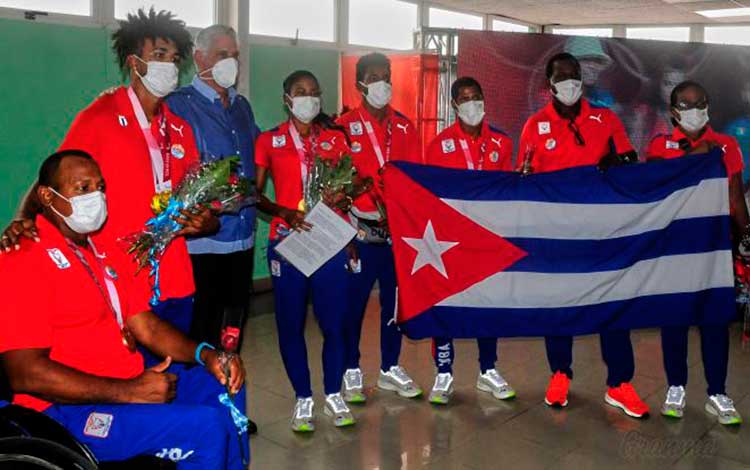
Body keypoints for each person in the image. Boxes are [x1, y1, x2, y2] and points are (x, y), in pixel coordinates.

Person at [0, 150, 249, 469]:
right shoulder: (23, 256)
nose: (95, 197)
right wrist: (130, 391)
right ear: (48, 196)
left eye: (99, 187)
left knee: (226, 383)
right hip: (63, 412)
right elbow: (25, 374)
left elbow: (146, 325)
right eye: (82, 188)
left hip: (124, 385)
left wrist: (207, 353)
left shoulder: (100, 249)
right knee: (204, 429)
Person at [1, 8, 218, 350]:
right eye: (158, 55)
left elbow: (200, 203)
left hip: (176, 278)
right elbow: (52, 176)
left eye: (174, 58)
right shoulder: (100, 117)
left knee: (172, 377)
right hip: (121, 280)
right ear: (134, 61)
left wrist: (206, 223)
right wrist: (22, 218)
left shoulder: (181, 129)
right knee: (131, 383)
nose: (169, 65)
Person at [517, 52, 648, 418]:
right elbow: (525, 182)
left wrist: (613, 163)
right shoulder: (534, 125)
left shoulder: (604, 119)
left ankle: (620, 383)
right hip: (556, 236)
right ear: (550, 84)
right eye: (562, 77)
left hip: (602, 233)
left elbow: (629, 164)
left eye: (575, 76)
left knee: (612, 304)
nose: (571, 82)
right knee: (559, 307)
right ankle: (560, 373)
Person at [165, 26, 259, 434]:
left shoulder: (242, 107)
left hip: (243, 237)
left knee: (233, 330)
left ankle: (228, 405)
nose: (230, 62)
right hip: (203, 243)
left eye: (235, 53)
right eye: (222, 53)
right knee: (198, 333)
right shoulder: (179, 105)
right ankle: (195, 415)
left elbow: (256, 166)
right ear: (200, 58)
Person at [255, 70, 358, 432]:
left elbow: (354, 185)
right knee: (290, 324)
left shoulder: (335, 139)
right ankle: (303, 397)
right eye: (301, 92)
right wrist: (282, 212)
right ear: (287, 98)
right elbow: (255, 193)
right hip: (286, 243)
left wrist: (343, 199)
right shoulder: (268, 141)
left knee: (335, 323)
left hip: (328, 241)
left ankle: (333, 392)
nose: (309, 99)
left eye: (314, 92)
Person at [647, 80, 749, 425]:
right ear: (673, 111)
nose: (695, 110)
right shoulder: (660, 146)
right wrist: (693, 159)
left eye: (701, 103)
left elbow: (735, 197)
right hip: (673, 250)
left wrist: (747, 238)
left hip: (714, 247)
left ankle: (717, 392)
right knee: (673, 321)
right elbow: (654, 194)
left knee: (715, 321)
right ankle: (675, 387)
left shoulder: (726, 145)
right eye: (687, 105)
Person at [336, 52, 423, 404]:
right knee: (353, 305)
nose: (382, 84)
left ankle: (390, 367)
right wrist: (345, 235)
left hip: (396, 234)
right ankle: (351, 368)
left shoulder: (405, 127)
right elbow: (335, 188)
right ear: (359, 84)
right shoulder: (343, 128)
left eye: (386, 76)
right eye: (373, 78)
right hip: (359, 232)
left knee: (394, 305)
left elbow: (416, 180)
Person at [423, 76, 515, 405]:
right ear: (453, 106)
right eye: (464, 98)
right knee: (445, 305)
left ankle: (487, 369)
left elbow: (508, 191)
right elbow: (429, 196)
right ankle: (444, 372)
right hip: (449, 243)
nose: (472, 103)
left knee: (487, 306)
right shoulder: (439, 145)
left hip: (487, 240)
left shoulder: (502, 143)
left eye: (477, 97)